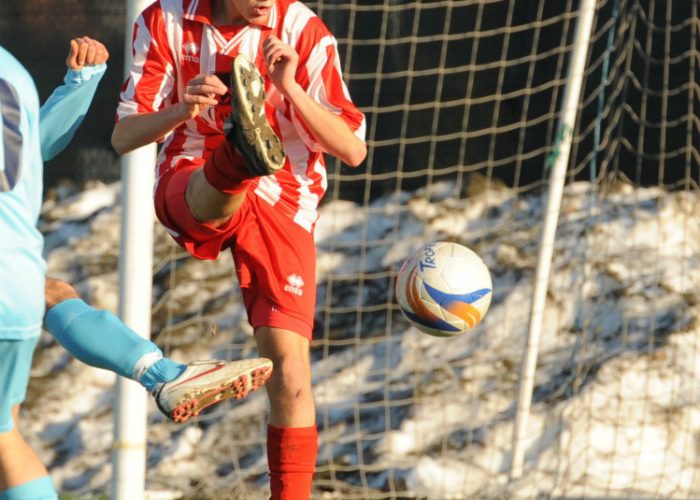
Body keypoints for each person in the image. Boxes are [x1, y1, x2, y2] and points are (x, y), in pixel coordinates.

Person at [111, 0, 367, 498]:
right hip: (189, 172)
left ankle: (246, 152)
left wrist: (290, 87)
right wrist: (182, 110)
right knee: (209, 198)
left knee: (291, 375)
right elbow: (124, 135)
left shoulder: (302, 29)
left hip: (284, 194)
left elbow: (353, 149)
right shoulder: (164, 20)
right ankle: (239, 155)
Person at [0, 36, 268, 500]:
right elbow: (37, 146)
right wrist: (79, 84)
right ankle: (160, 372)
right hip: (16, 281)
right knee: (4, 435)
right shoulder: (14, 73)